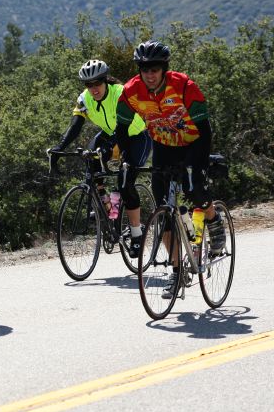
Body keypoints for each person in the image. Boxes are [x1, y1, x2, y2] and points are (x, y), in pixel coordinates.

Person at [113, 40, 227, 298]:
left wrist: (196, 165)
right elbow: (122, 127)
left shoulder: (184, 86)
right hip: (163, 145)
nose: (150, 74)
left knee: (193, 187)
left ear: (164, 69)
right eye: (145, 69)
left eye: (155, 69)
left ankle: (213, 220)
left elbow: (205, 128)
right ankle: (176, 273)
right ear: (139, 70)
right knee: (163, 211)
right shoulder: (131, 91)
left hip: (193, 143)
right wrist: (128, 160)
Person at [50, 60, 152, 257]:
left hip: (138, 136)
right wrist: (59, 148)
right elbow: (75, 124)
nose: (93, 89)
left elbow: (123, 127)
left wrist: (112, 148)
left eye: (97, 83)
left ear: (105, 80)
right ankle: (106, 204)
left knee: (126, 182)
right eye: (88, 85)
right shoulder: (85, 98)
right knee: (91, 157)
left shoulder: (120, 93)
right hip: (109, 132)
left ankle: (137, 234)